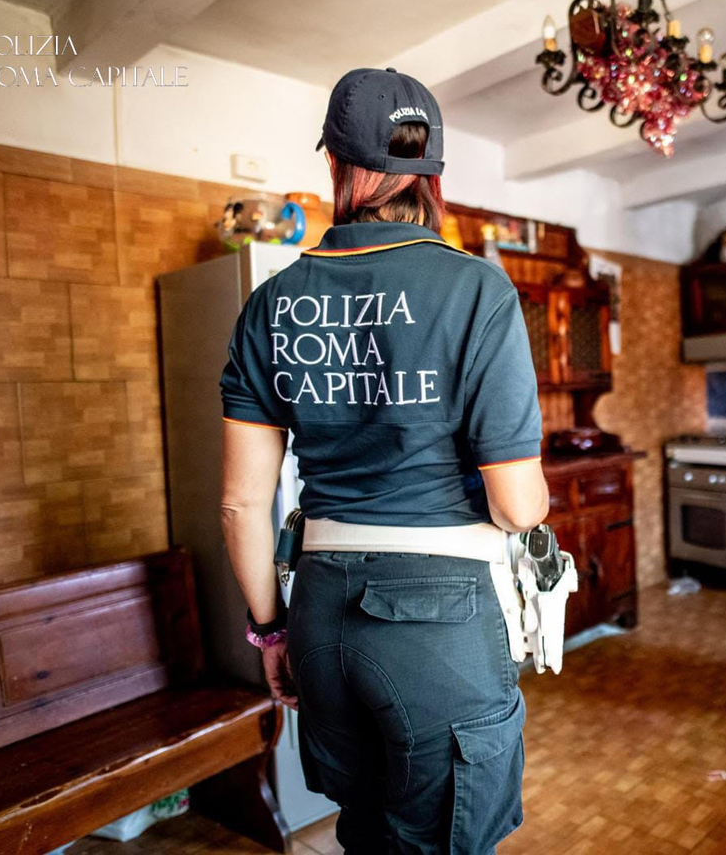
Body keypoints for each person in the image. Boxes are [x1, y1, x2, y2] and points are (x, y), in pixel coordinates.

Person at [218, 67, 549, 853]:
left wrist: (272, 635)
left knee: (363, 829)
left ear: (334, 163)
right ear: (434, 171)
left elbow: (239, 505)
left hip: (321, 611)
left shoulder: (272, 302)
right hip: (439, 619)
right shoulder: (477, 291)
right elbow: (519, 505)